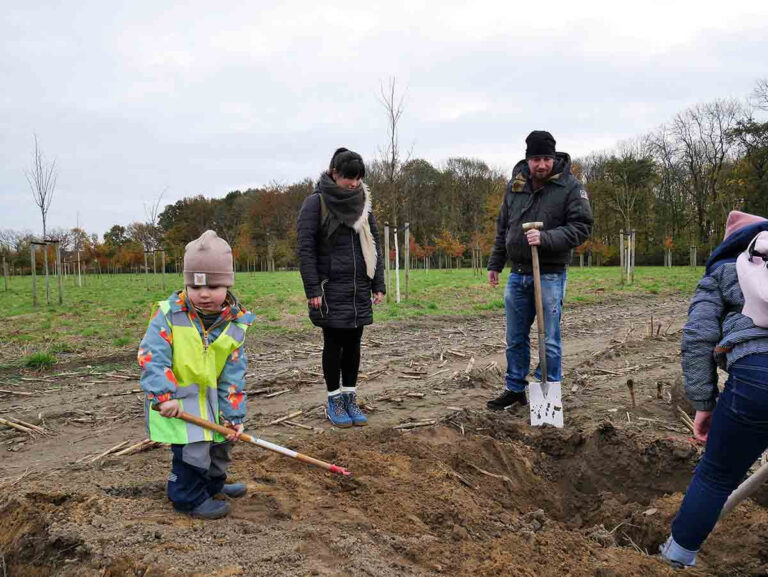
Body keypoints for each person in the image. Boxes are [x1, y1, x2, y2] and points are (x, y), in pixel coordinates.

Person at [660, 211, 768, 568]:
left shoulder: (723, 269)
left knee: (717, 475)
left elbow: (697, 336)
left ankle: (674, 560)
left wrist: (703, 403)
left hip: (757, 378)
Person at [138, 230, 255, 520]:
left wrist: (234, 415)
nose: (203, 294)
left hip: (214, 402)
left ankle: (213, 486)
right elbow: (153, 356)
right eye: (195, 285)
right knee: (193, 453)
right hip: (181, 404)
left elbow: (234, 372)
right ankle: (187, 498)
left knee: (220, 447)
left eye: (213, 286)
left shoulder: (235, 324)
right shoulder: (168, 315)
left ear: (227, 285)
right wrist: (164, 395)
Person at [486, 130, 593, 410]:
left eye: (546, 158)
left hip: (549, 274)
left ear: (554, 157)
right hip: (518, 273)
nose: (541, 165)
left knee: (549, 339)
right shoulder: (515, 186)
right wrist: (496, 263)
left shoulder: (571, 187)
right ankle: (515, 388)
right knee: (515, 337)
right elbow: (503, 227)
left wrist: (546, 239)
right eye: (536, 159)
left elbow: (582, 228)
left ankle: (547, 394)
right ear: (528, 159)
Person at [297, 148, 386, 427]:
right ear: (334, 173)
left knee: (354, 344)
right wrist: (312, 288)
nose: (354, 184)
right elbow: (305, 248)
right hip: (329, 287)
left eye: (359, 178)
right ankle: (334, 399)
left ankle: (350, 396)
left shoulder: (363, 202)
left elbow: (373, 243)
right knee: (333, 344)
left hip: (358, 286)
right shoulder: (316, 203)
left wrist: (378, 283)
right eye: (349, 178)